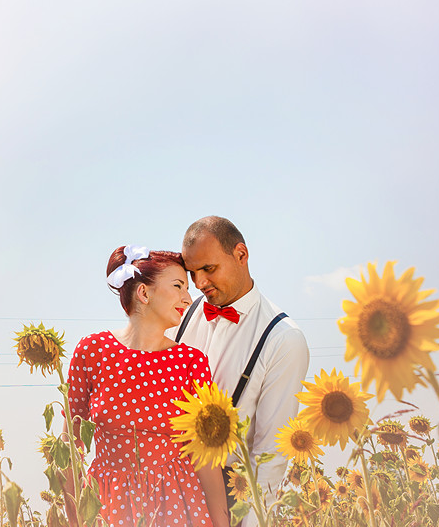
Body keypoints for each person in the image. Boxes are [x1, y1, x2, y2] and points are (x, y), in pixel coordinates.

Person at [66, 245, 229, 527]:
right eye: (178, 286)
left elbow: (204, 456)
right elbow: (71, 444)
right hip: (107, 504)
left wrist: (222, 523)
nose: (188, 298)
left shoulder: (191, 362)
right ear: (144, 293)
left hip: (177, 503)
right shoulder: (91, 351)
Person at [166, 217, 310, 524]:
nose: (200, 283)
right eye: (192, 273)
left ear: (241, 255)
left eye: (209, 269)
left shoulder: (283, 339)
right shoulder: (182, 313)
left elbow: (270, 454)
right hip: (164, 484)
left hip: (229, 497)